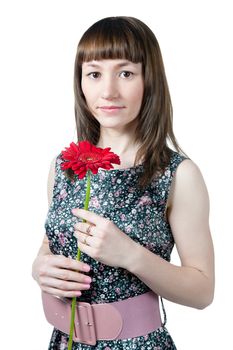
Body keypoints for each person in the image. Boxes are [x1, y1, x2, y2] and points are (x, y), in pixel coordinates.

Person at [32, 16, 215, 350]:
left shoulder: (177, 174)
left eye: (126, 73)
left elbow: (203, 291)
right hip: (65, 341)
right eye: (95, 74)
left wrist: (130, 254)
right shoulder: (64, 167)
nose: (108, 91)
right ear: (81, 82)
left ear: (150, 79)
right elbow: (51, 246)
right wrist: (40, 268)